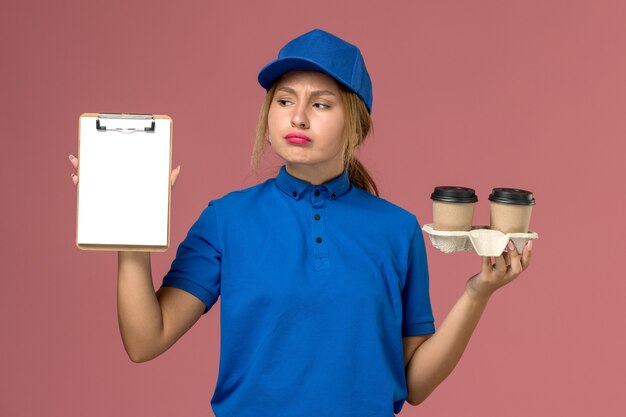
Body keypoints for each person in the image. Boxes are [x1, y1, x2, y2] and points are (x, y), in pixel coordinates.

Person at [69, 28, 533, 416]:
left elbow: (415, 384)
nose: (298, 116)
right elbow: (145, 341)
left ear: (356, 125)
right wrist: (129, 227)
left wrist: (478, 292)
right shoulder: (226, 219)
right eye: (285, 100)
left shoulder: (398, 229)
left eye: (321, 104)